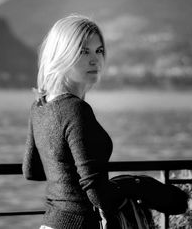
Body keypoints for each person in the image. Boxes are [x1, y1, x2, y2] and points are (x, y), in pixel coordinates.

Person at [22, 14, 123, 229]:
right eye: (84, 51)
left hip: (51, 223)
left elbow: (32, 170)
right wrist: (136, 189)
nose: (95, 60)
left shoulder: (39, 107)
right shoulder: (76, 110)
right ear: (62, 54)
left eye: (99, 50)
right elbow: (96, 191)